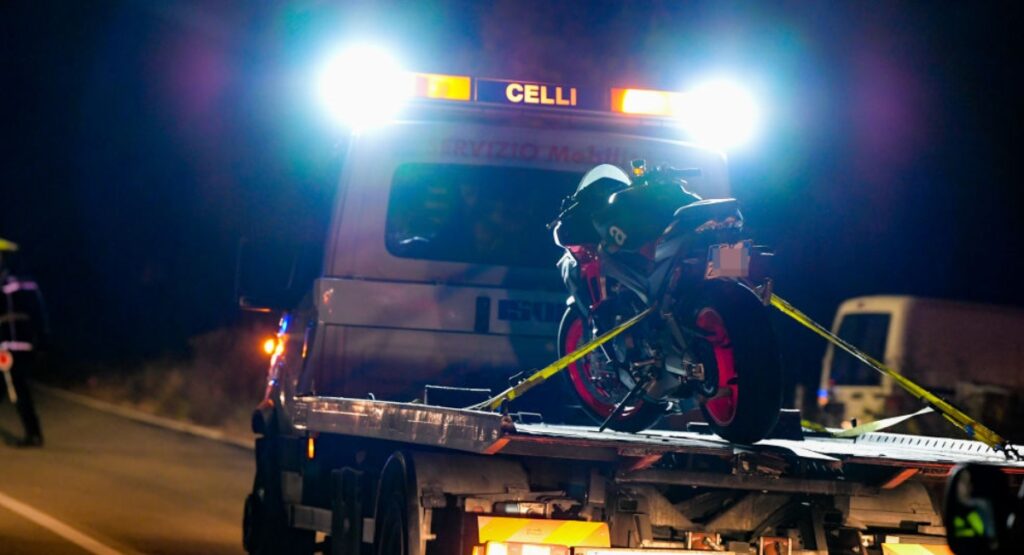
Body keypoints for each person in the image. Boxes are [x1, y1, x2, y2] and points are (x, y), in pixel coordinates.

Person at [0, 237, 46, 447]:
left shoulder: (6, 282)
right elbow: (39, 313)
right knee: (15, 388)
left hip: (8, 347)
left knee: (17, 390)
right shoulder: (27, 281)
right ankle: (33, 432)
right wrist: (43, 340)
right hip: (23, 343)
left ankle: (33, 434)